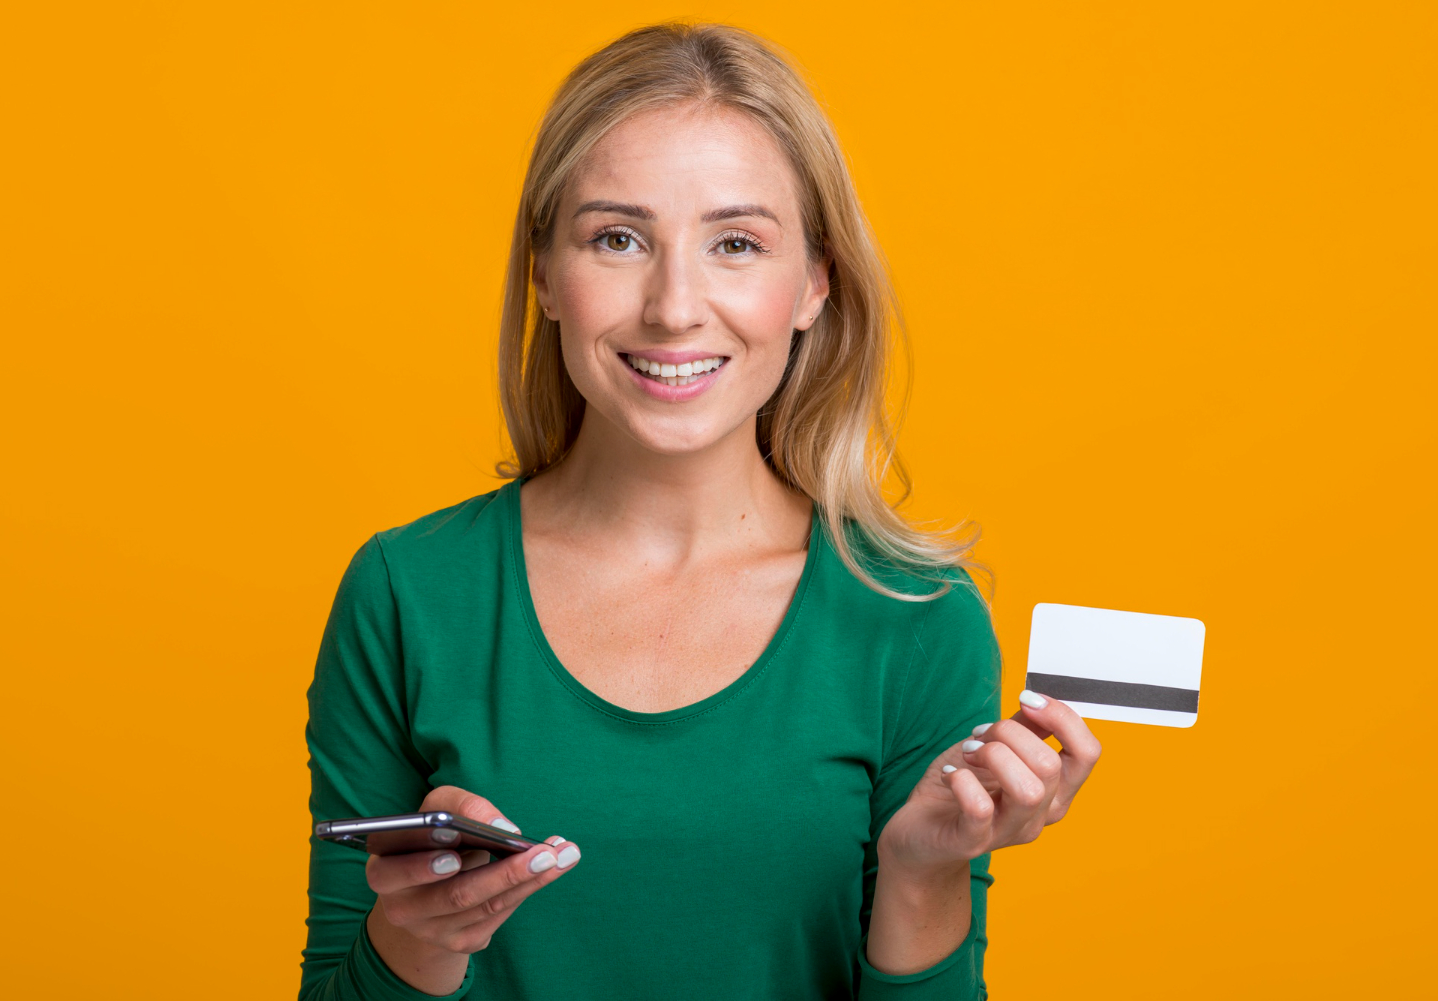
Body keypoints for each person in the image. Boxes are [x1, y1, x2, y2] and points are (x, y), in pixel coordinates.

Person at [299, 21, 1101, 1001]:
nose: (675, 306)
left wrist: (923, 870)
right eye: (618, 238)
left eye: (734, 242)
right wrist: (420, 937)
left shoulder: (917, 618)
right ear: (546, 275)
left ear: (813, 282)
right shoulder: (407, 593)